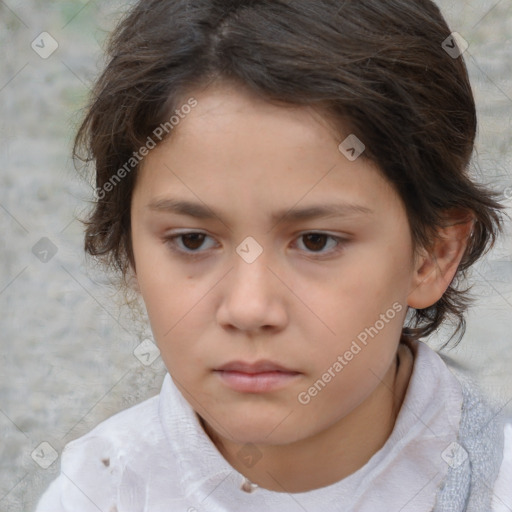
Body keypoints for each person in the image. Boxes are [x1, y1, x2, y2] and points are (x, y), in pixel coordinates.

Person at [35, 0, 512, 510]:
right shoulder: (98, 491)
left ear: (433, 255)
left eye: (316, 241)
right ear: (129, 250)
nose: (248, 308)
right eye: (192, 240)